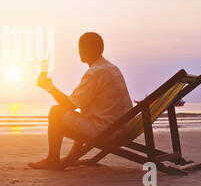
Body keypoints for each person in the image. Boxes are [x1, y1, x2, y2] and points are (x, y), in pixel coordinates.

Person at [29, 32, 133, 169]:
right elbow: (79, 107)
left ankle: (52, 159)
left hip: (107, 131)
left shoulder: (94, 73)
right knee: (83, 114)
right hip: (123, 128)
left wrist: (49, 87)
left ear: (86, 50)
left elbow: (70, 105)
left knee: (56, 112)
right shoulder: (112, 68)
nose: (79, 51)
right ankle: (72, 157)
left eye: (80, 48)